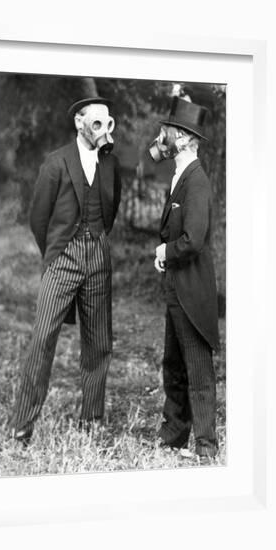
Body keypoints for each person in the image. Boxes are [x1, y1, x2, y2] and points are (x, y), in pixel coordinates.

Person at [11, 96, 122, 443]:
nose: (102, 130)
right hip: (63, 256)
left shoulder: (110, 163)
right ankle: (22, 426)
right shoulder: (56, 162)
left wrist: (96, 243)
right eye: (96, 122)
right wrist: (56, 255)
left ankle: (91, 420)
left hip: (98, 254)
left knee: (98, 343)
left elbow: (111, 208)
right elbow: (37, 218)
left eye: (108, 123)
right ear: (79, 122)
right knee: (43, 338)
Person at [149, 96, 220, 459]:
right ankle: (174, 435)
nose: (161, 136)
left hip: (193, 292)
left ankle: (206, 446)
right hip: (177, 287)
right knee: (173, 365)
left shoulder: (197, 181)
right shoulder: (180, 176)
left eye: (168, 131)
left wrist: (166, 252)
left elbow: (192, 240)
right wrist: (167, 259)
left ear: (184, 140)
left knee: (198, 371)